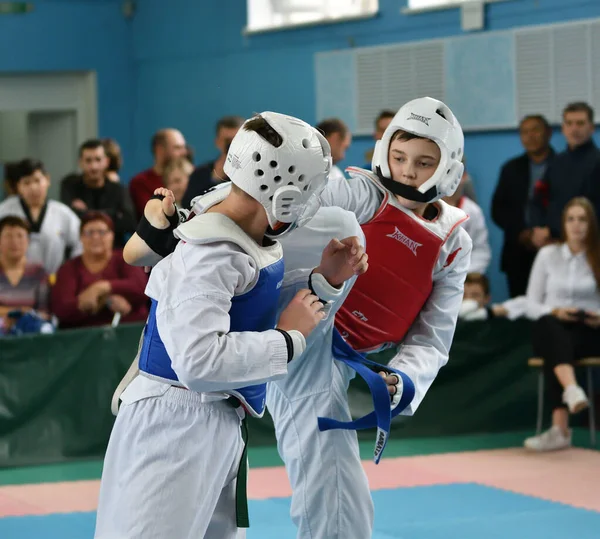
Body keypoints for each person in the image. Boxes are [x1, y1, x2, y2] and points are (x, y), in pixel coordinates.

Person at [124, 97, 472, 539]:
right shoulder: (364, 193)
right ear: (383, 150)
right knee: (334, 479)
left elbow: (434, 338)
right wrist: (192, 216)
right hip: (310, 331)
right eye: (400, 157)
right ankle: (192, 229)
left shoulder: (454, 243)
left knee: (336, 491)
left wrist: (405, 377)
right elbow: (295, 186)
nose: (407, 170)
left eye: (424, 162)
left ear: (448, 169)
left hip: (361, 350)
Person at [94, 111, 368, 539]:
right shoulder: (208, 251)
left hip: (215, 418)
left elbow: (247, 314)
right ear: (286, 198)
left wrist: (323, 281)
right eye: (311, 194)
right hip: (176, 418)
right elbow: (198, 360)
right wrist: (287, 340)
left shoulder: (246, 241)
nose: (314, 207)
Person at [523, 197, 600, 452]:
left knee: (555, 344)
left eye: (583, 219)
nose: (577, 225)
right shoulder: (548, 254)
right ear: (563, 224)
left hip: (590, 332)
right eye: (571, 219)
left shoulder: (597, 257)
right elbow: (531, 304)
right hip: (554, 327)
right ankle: (572, 389)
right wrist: (556, 310)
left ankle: (560, 429)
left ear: (591, 224)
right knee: (549, 325)